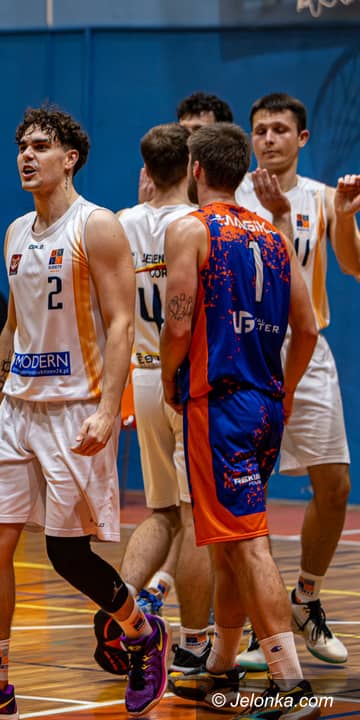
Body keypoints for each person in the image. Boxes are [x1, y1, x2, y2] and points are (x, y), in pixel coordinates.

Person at [0, 106, 168, 720]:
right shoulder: (15, 232)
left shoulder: (98, 226)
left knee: (67, 555)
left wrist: (109, 410)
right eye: (22, 147)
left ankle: (141, 635)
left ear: (71, 158)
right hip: (17, 411)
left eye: (41, 146)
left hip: (76, 409)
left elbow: (123, 323)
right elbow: (12, 329)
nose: (27, 156)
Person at [162, 122, 321, 717]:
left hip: (220, 404)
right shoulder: (274, 236)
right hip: (265, 405)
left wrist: (172, 380)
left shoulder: (190, 229)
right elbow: (307, 329)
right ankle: (222, 666)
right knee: (228, 544)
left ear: (197, 170)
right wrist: (286, 392)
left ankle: (290, 684)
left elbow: (178, 323)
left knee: (249, 543)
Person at [233, 93, 360, 670]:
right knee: (246, 490)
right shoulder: (232, 196)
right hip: (246, 349)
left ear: (302, 138)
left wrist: (348, 216)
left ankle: (305, 598)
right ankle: (262, 626)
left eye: (280, 129)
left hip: (307, 346)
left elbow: (353, 265)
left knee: (334, 484)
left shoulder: (324, 197)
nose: (269, 139)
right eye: (260, 129)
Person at [93, 123, 215, 679]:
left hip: (140, 375)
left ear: (145, 170)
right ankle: (194, 643)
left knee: (160, 511)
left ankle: (120, 608)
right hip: (184, 378)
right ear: (192, 168)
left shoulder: (120, 222)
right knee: (196, 517)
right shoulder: (201, 224)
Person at [140, 92, 234, 203]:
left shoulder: (247, 188)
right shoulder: (160, 185)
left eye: (198, 129)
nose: (187, 137)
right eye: (183, 129)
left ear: (223, 135)